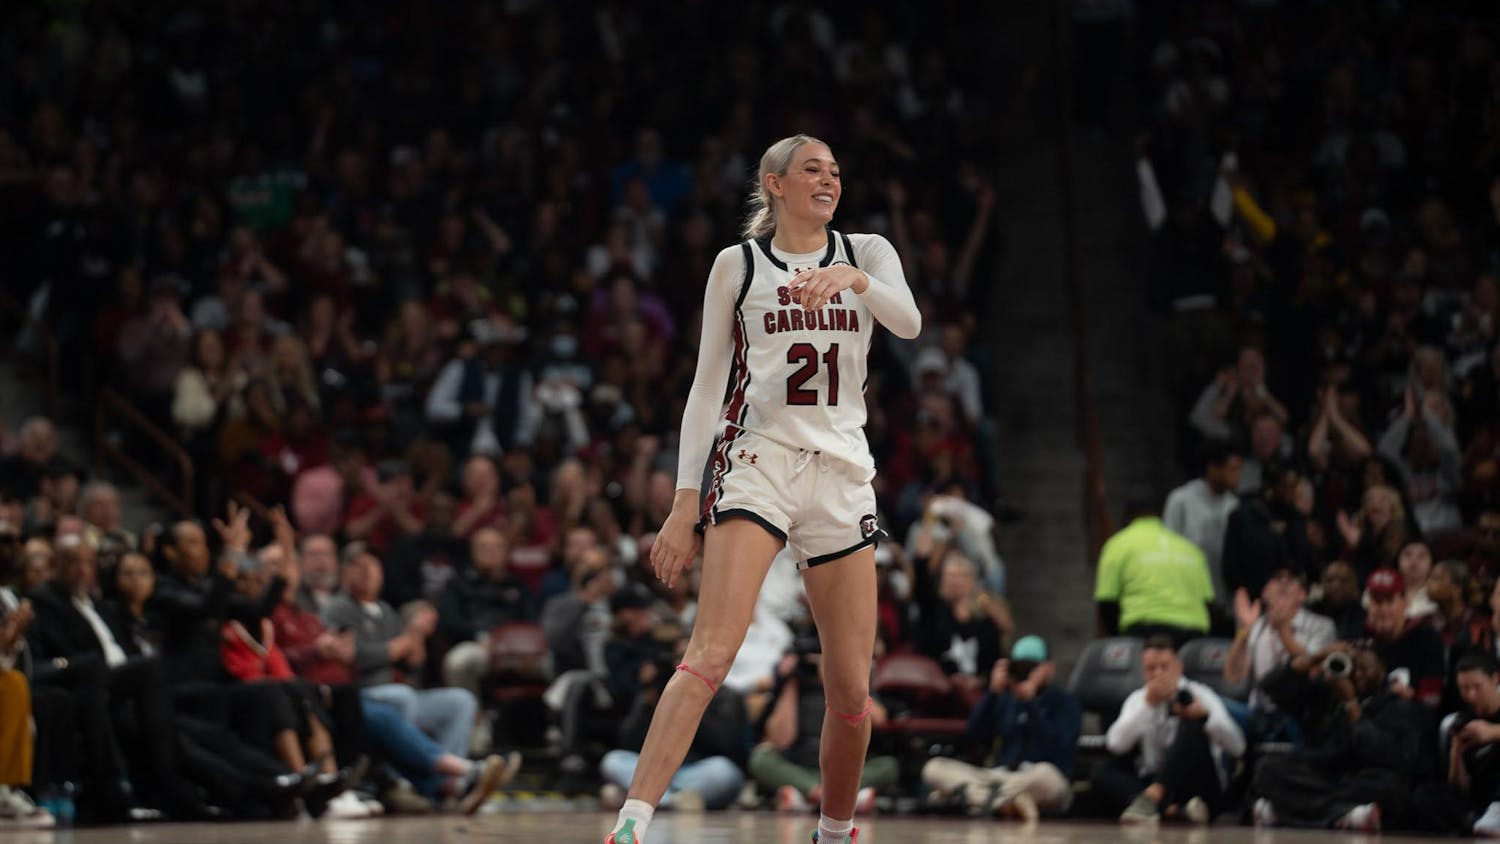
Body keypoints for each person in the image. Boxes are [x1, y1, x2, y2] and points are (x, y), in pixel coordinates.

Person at [605, 134, 921, 844]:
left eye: (836, 170)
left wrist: (857, 283)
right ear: (774, 184)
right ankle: (630, 824)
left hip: (842, 474)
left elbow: (910, 321)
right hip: (760, 461)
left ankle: (833, 834)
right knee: (711, 652)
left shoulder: (866, 251)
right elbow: (704, 390)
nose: (828, 179)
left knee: (850, 692)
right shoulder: (738, 265)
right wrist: (685, 503)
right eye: (812, 168)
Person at [920, 635, 1081, 820]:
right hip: (999, 777)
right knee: (934, 767)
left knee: (1048, 776)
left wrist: (1031, 704)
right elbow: (973, 735)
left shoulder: (1065, 703)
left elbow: (1060, 754)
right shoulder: (1004, 699)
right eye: (1018, 667)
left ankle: (972, 798)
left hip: (1034, 779)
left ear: (1049, 669)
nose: (1024, 673)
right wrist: (992, 694)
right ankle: (1005, 803)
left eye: (1031, 667)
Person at [1091, 635, 1245, 825]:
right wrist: (1147, 706)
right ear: (1143, 671)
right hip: (1152, 775)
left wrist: (1205, 718)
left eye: (1165, 667)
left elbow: (1238, 747)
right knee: (1103, 774)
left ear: (1178, 667)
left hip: (1198, 781)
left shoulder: (1201, 694)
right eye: (1151, 669)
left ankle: (1154, 801)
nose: (1158, 674)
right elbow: (1115, 745)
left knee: (1193, 725)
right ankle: (1171, 809)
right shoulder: (1138, 699)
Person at [1223, 565, 1335, 742]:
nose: (1283, 581)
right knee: (1213, 712)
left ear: (1302, 594)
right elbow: (1233, 677)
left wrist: (1283, 630)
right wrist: (1243, 632)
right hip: (1257, 714)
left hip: (1298, 717)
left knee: (1214, 709)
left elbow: (1313, 669)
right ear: (1265, 591)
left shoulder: (1321, 626)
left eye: (1291, 578)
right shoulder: (1258, 626)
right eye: (1277, 577)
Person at [1094, 496, 1216, 645]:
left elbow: (1107, 603)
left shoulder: (1118, 544)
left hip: (1143, 633)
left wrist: (1120, 638)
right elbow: (1209, 603)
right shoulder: (1191, 549)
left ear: (1126, 517)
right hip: (1193, 634)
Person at [1163, 439, 1242, 596]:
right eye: (1232, 469)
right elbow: (1168, 548)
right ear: (1213, 468)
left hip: (1224, 595)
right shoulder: (1181, 500)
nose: (1238, 476)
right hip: (1187, 593)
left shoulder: (1234, 505)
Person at [1364, 568, 1446, 707]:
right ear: (1368, 605)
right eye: (1377, 601)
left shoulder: (1426, 638)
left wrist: (1410, 697)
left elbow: (1432, 701)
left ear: (1404, 602)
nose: (1383, 609)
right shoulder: (1359, 637)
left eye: (1390, 601)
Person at [1450, 653, 1500, 836]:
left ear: (1495, 679)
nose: (1471, 695)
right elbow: (1460, 787)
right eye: (1464, 688)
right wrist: (1456, 751)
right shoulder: (1465, 721)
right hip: (1480, 799)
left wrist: (1492, 732)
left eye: (1477, 687)